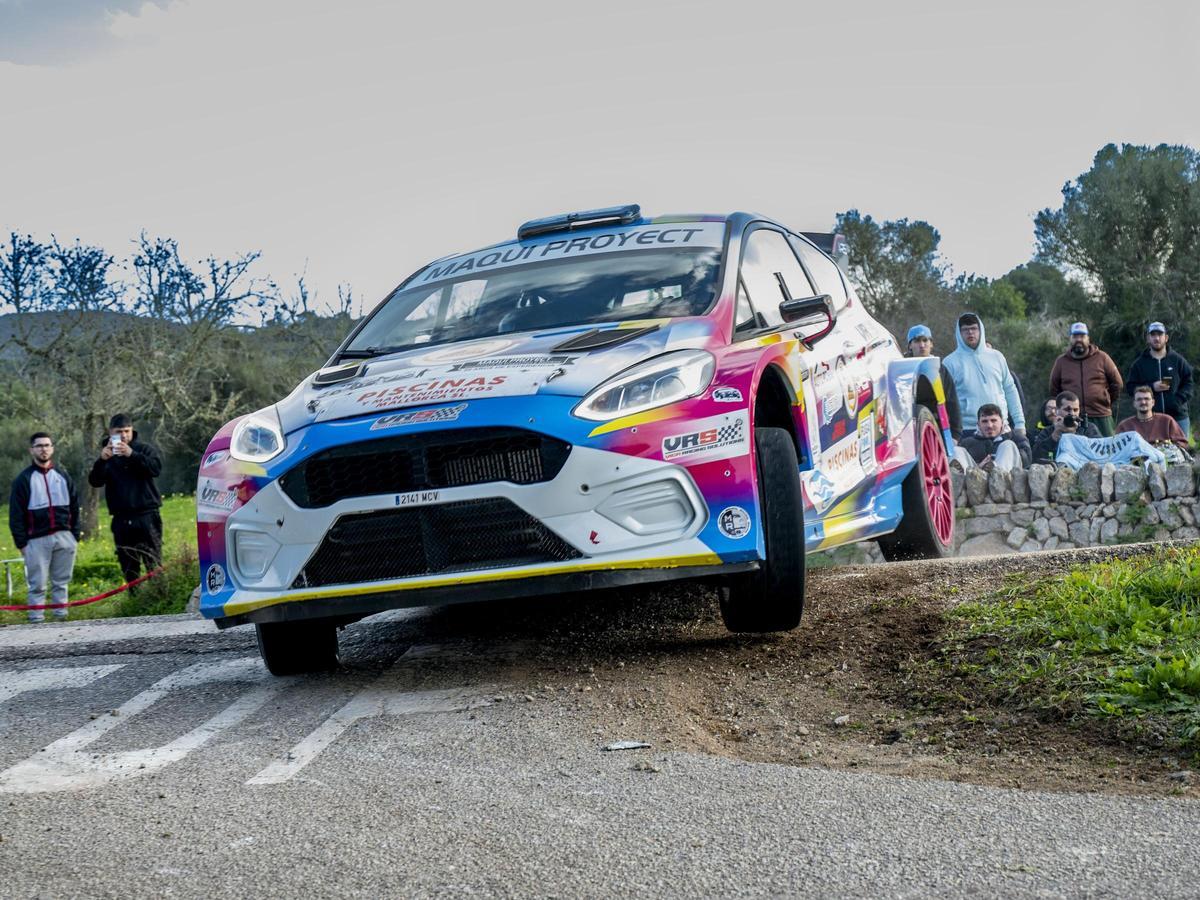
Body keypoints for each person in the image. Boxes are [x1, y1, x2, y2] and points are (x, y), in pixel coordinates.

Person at [8, 432, 80, 623]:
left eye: (47, 445)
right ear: (32, 450)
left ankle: (61, 619)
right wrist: (22, 543)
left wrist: (74, 536)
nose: (43, 449)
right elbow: (15, 515)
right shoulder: (23, 479)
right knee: (37, 585)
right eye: (39, 446)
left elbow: (75, 506)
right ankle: (36, 622)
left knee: (61, 583)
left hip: (64, 537)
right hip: (36, 541)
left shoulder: (63, 476)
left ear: (52, 448)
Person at [88, 414, 164, 585]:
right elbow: (95, 481)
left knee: (154, 561)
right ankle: (134, 601)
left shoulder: (144, 449)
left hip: (146, 515)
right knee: (129, 567)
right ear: (110, 432)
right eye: (118, 432)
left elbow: (155, 469)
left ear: (132, 430)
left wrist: (132, 455)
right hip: (121, 518)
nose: (123, 435)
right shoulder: (106, 455)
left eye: (126, 431)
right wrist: (101, 461)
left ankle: (159, 597)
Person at [941, 312, 1026, 439]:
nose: (970, 333)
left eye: (974, 328)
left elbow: (1010, 390)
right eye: (965, 330)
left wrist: (1019, 423)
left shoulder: (997, 356)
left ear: (980, 330)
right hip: (967, 430)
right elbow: (944, 401)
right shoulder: (949, 362)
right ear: (959, 333)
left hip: (1000, 427)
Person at [1048, 322, 1123, 437]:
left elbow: (1117, 384)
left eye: (1082, 336)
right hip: (1071, 418)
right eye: (1075, 336)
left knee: (1107, 450)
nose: (1079, 340)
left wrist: (1104, 401)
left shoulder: (1102, 358)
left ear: (1088, 339)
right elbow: (1054, 390)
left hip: (1101, 416)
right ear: (1070, 339)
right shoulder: (1061, 362)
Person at [1124, 321, 1193, 439]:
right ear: (1148, 338)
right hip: (1151, 419)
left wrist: (1177, 401)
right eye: (1153, 335)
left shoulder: (1178, 360)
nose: (1157, 338)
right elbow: (1130, 388)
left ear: (1166, 338)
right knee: (1153, 454)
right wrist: (1152, 387)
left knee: (1181, 453)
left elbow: (1189, 384)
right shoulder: (1139, 364)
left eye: (1160, 334)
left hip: (1178, 417)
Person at [905, 323, 962, 439]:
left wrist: (955, 435)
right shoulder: (902, 369)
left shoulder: (940, 369)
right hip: (911, 431)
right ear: (910, 345)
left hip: (939, 428)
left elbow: (952, 402)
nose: (922, 345)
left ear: (931, 344)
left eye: (925, 340)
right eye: (916, 341)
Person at [952, 403, 1031, 472]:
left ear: (1002, 422)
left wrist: (995, 457)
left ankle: (997, 473)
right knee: (957, 450)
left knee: (1008, 445)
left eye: (993, 420)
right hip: (974, 479)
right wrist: (978, 466)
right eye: (984, 421)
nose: (989, 425)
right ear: (978, 424)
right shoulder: (967, 442)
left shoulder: (1016, 437)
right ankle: (960, 479)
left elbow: (1027, 460)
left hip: (1009, 478)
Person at [1031, 391, 1103, 465]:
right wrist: (1054, 436)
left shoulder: (1088, 428)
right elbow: (1036, 456)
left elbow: (1100, 453)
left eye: (1075, 410)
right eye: (1067, 410)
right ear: (1057, 411)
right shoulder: (1048, 431)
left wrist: (1074, 435)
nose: (1072, 413)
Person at [1117, 384, 1190, 452]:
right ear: (1134, 403)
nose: (1143, 402)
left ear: (1153, 402)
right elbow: (1117, 449)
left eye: (1146, 399)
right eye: (1139, 399)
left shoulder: (1167, 421)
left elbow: (1183, 443)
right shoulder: (1124, 426)